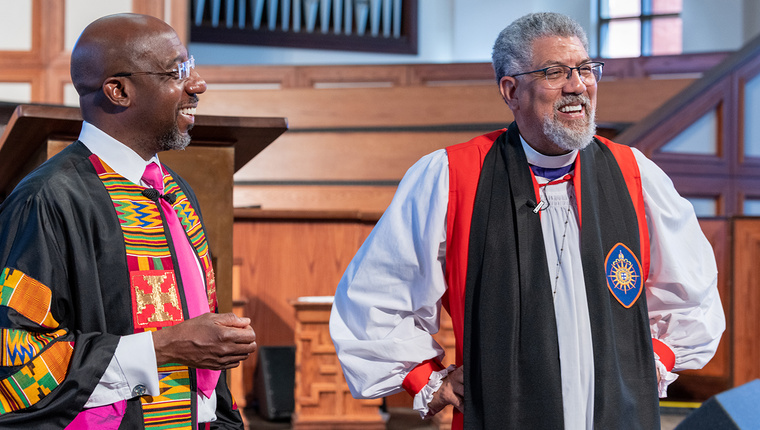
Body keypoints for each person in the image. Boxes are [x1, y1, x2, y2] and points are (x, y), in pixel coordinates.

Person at [329, 12, 725, 430]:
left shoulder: (634, 174)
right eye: (555, 72)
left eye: (586, 70)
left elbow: (692, 295)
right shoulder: (452, 176)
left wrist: (654, 361)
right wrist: (427, 379)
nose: (577, 86)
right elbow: (378, 297)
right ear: (511, 90)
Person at [0, 13, 256, 428]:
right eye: (178, 72)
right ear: (118, 91)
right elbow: (17, 364)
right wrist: (161, 348)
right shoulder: (47, 200)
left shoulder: (175, 192)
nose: (197, 85)